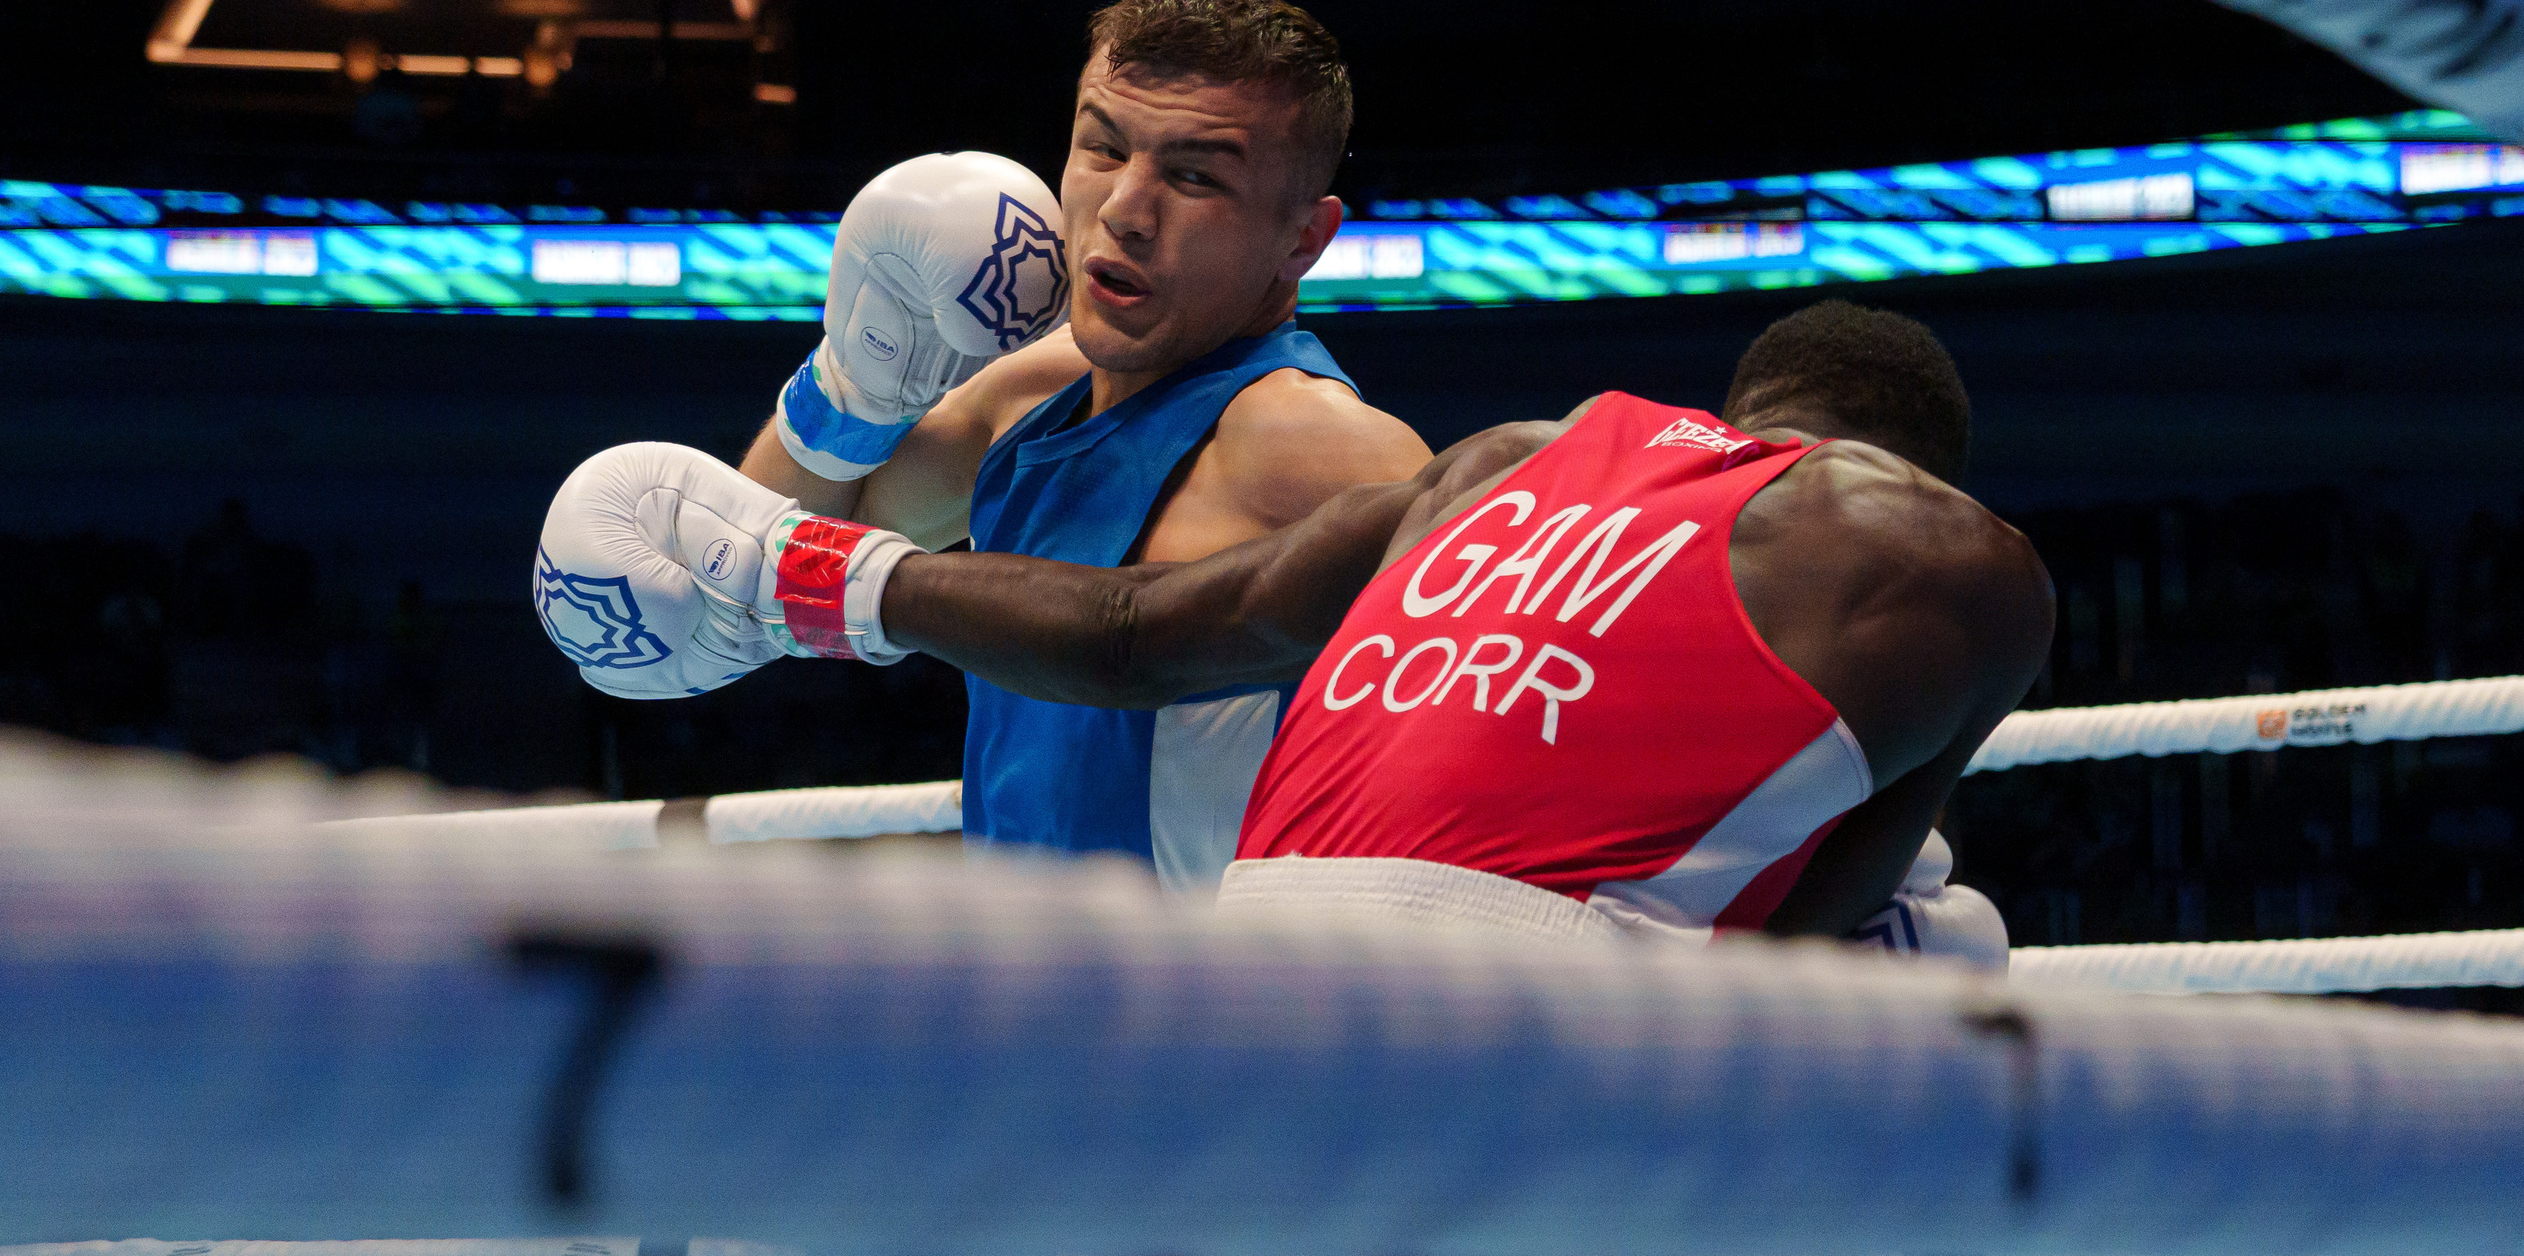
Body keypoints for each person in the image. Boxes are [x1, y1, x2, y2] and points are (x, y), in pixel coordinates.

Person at [541, 300, 2044, 956]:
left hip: (1252, 967)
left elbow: (1132, 632)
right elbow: (1800, 938)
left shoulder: (1500, 459)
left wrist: (809, 565)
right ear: (1920, 464)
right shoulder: (1962, 560)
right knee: (1920, 979)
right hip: (1547, 1006)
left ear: (1738, 410)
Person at [537, 0, 1428, 893]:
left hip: (1218, 1017)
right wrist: (853, 379)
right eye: (1103, 147)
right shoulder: (1036, 395)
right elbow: (765, 547)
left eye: (1195, 175)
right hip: (1027, 1001)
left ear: (1302, 241)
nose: (1125, 209)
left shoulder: (1321, 445)